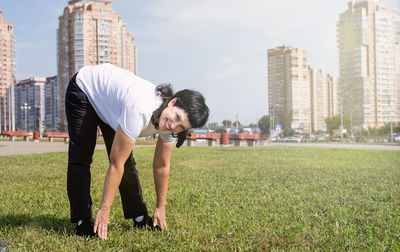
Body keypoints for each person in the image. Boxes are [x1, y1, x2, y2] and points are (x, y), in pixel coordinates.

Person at [65, 63, 209, 239]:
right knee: (81, 157)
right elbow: (115, 165)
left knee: (126, 160)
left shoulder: (172, 129)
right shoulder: (140, 109)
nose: (173, 125)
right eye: (176, 117)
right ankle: (83, 223)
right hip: (86, 89)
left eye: (181, 126)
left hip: (112, 104)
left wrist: (160, 207)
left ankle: (139, 218)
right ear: (172, 102)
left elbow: (162, 166)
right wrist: (105, 210)